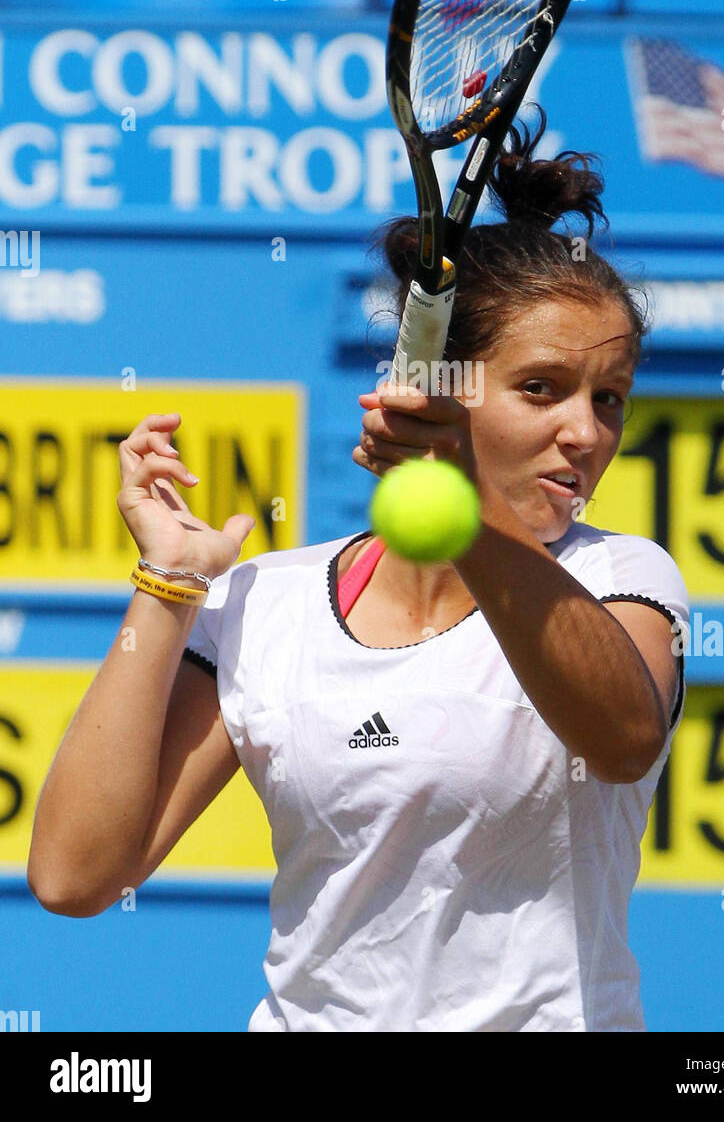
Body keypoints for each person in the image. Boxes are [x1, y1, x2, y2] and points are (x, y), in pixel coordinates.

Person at [28, 114, 689, 1033]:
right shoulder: (268, 602)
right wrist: (168, 585)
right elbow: (75, 875)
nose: (585, 433)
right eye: (540, 388)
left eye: (606, 399)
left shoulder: (621, 578)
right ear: (438, 382)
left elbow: (620, 742)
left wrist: (464, 509)